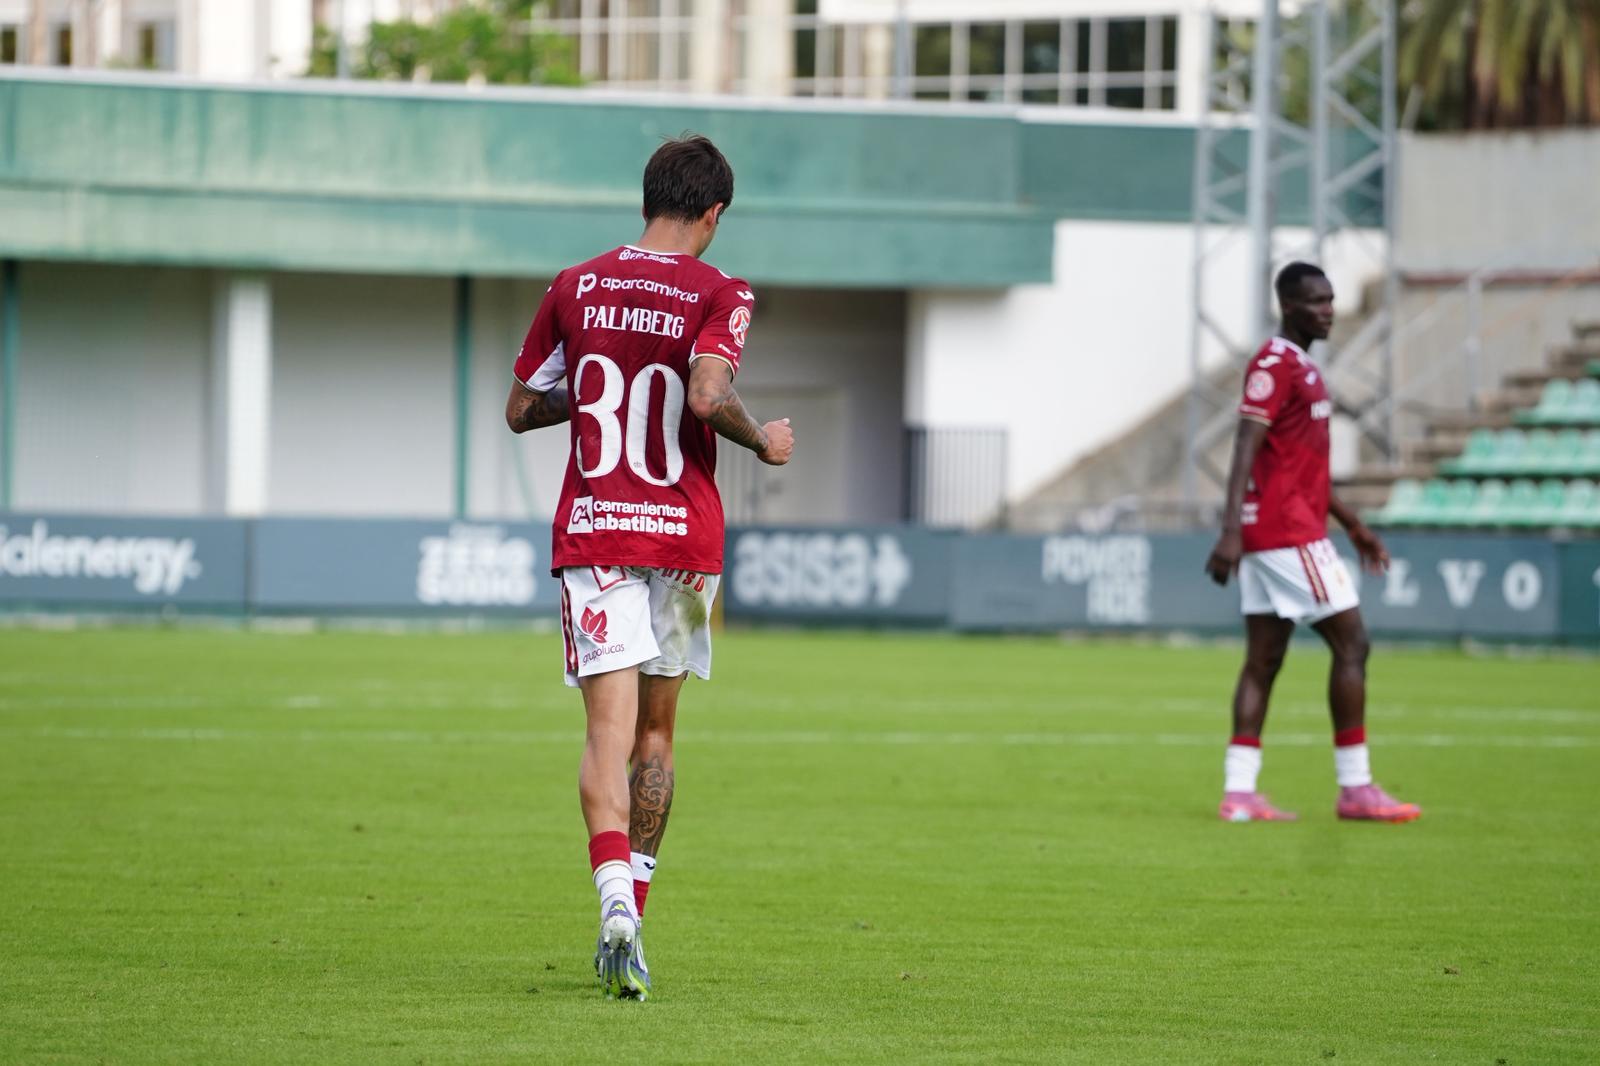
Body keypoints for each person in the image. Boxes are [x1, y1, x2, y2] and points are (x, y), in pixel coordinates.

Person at [505, 135, 795, 999]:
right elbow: (706, 396)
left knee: (605, 732)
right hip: (680, 538)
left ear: (646, 200)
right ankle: (638, 902)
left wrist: (587, 395)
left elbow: (521, 409)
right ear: (713, 213)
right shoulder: (721, 291)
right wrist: (764, 440)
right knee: (657, 738)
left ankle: (611, 906)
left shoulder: (576, 284)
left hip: (598, 529)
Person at [1204, 261, 1420, 825]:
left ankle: (1239, 792)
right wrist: (1230, 529)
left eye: (1331, 300)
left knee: (1264, 659)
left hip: (1282, 525)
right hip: (1285, 532)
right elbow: (1245, 448)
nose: (1328, 310)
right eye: (1317, 301)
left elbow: (1302, 469)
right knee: (1353, 645)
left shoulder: (1302, 369)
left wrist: (1352, 524)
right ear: (1288, 306)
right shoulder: (1275, 366)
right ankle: (1355, 787)